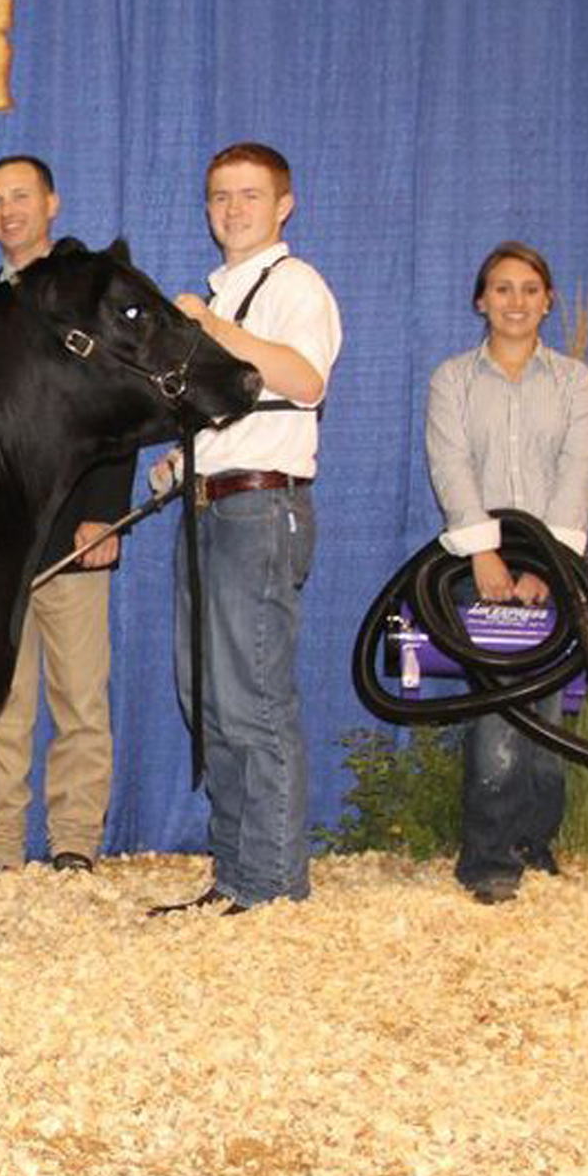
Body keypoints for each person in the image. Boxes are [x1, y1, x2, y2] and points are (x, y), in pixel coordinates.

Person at [149, 142, 342, 915]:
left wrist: (207, 331)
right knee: (210, 699)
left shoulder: (296, 285)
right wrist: (182, 461)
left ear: (283, 205)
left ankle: (271, 884)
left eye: (250, 196)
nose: (233, 209)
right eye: (220, 197)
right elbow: (237, 410)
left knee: (253, 698)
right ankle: (235, 873)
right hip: (212, 504)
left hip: (261, 510)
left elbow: (304, 380)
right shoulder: (224, 296)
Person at [0, 156, 135, 873]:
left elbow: (114, 404)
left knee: (80, 693)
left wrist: (105, 512)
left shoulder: (89, 291)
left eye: (20, 196)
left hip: (72, 526)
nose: (8, 211)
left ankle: (75, 842)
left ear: (52, 203)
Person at [426, 241, 588, 904]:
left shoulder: (575, 382)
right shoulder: (453, 381)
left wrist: (549, 570)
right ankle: (490, 858)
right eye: (502, 289)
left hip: (553, 569)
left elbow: (578, 472)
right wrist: (484, 552)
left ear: (548, 301)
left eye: (529, 289)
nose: (516, 301)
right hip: (478, 566)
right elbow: (451, 466)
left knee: (548, 712)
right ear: (481, 301)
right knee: (502, 710)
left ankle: (535, 841)